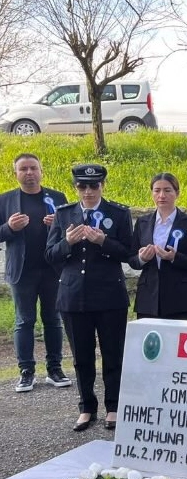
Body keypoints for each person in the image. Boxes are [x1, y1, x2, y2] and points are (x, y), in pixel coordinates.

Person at [46, 163, 134, 431]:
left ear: (102, 186)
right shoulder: (64, 214)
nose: (88, 191)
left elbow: (129, 253)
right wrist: (68, 243)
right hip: (74, 296)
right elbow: (50, 255)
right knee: (81, 357)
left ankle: (113, 406)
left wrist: (103, 242)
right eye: (82, 186)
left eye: (93, 186)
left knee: (113, 354)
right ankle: (86, 407)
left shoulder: (118, 213)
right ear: (75, 187)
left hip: (109, 296)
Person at [0, 153, 69, 393]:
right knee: (24, 321)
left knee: (53, 319)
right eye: (23, 169)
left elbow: (70, 231)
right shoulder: (5, 200)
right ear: (16, 174)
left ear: (41, 171)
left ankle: (55, 369)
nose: (29, 173)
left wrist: (58, 225)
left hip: (52, 270)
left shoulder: (58, 197)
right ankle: (26, 372)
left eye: (33, 168)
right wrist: (9, 227)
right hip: (22, 272)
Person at [128, 173, 187, 320]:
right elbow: (132, 260)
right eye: (157, 190)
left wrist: (174, 257)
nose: (161, 195)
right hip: (149, 299)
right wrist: (142, 258)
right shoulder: (142, 222)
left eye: (167, 190)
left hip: (182, 299)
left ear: (177, 193)